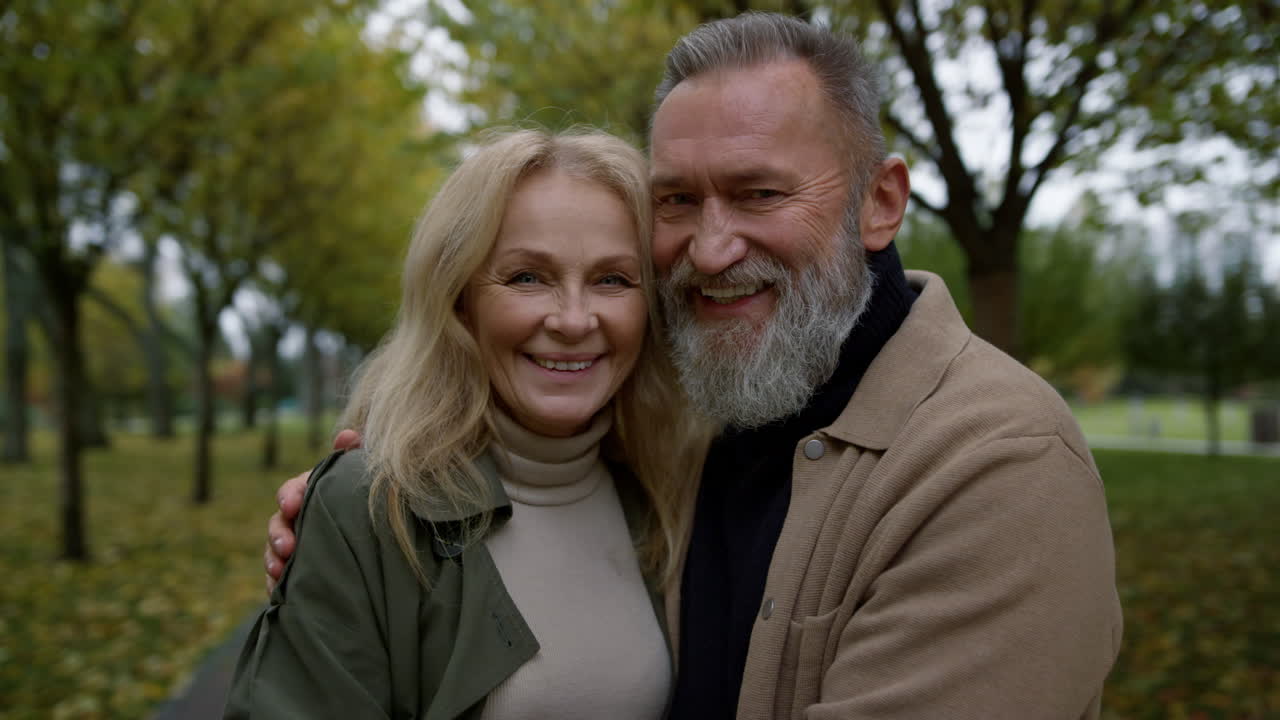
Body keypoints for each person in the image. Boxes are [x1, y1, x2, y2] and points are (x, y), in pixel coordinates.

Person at [265, 13, 1123, 720]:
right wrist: (369, 516)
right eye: (676, 200)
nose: (711, 251)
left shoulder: (997, 464)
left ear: (881, 202)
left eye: (760, 193)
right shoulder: (694, 434)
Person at [227, 128, 708, 719]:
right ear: (459, 300)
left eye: (612, 279)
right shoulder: (369, 510)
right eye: (528, 277)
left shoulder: (667, 497)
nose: (575, 320)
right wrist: (341, 514)